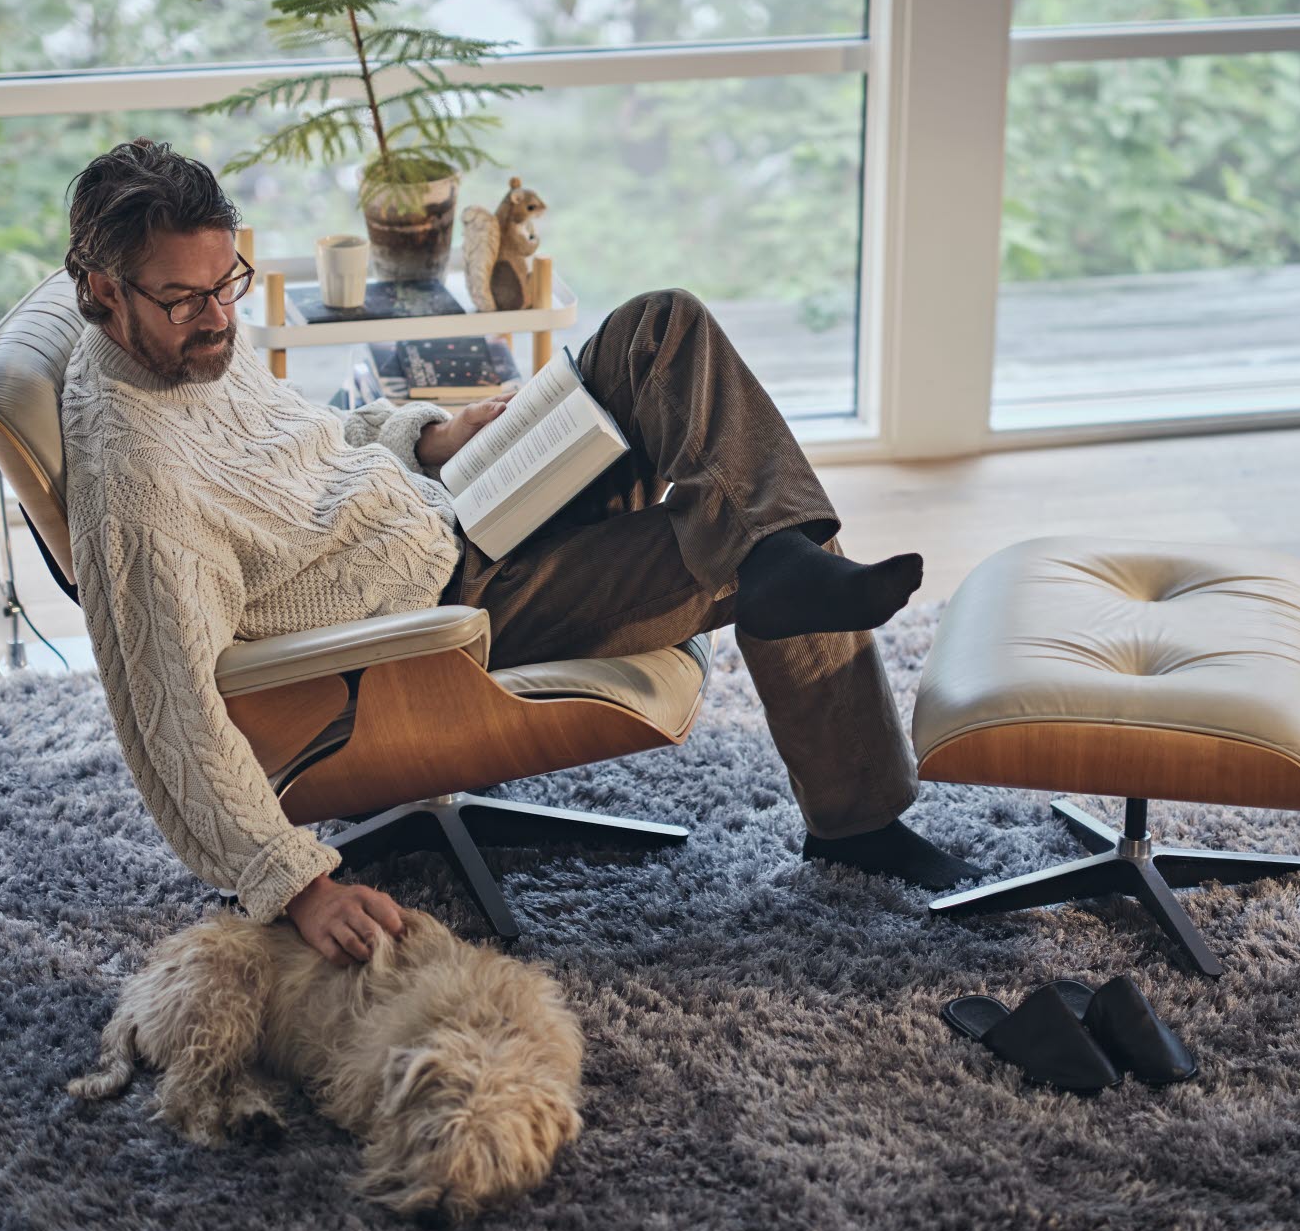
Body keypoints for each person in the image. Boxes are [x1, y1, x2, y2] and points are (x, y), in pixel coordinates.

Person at [57, 139, 979, 967]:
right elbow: (170, 716)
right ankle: (853, 808)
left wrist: (431, 435)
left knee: (665, 329)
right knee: (753, 533)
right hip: (446, 617)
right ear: (103, 291)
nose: (218, 316)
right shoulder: (139, 492)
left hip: (453, 504)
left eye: (229, 284)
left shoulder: (187, 344)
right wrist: (299, 888)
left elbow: (305, 444)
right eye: (186, 299)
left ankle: (778, 553)